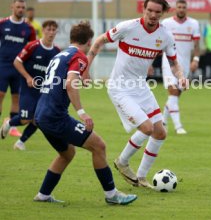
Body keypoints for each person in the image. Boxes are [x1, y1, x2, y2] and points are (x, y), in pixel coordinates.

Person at [1, 21, 137, 204]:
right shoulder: (79, 56)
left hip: (41, 114)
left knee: (67, 153)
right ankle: (112, 195)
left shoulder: (60, 54)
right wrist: (82, 112)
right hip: (55, 116)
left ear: (71, 38)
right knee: (99, 146)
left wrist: (82, 76)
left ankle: (43, 195)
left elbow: (66, 77)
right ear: (89, 41)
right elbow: (69, 83)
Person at [86, 0, 187, 188]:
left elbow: (174, 62)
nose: (153, 15)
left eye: (157, 12)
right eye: (150, 10)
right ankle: (122, 162)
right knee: (147, 128)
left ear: (162, 13)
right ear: (144, 9)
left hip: (140, 86)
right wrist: (86, 68)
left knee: (160, 133)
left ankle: (140, 177)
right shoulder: (128, 27)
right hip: (119, 87)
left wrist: (180, 76)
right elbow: (99, 41)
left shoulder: (165, 35)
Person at [0, 20, 60, 150]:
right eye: (48, 29)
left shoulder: (56, 51)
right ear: (43, 30)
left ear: (56, 32)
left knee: (39, 118)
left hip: (44, 90)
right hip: (28, 88)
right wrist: (28, 77)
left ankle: (20, 142)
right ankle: (9, 123)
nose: (51, 32)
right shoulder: (33, 46)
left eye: (53, 30)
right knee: (25, 118)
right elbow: (17, 62)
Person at [161, 0, 200, 134]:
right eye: (179, 7)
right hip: (168, 62)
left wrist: (196, 59)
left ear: (186, 9)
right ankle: (178, 127)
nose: (181, 9)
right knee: (172, 92)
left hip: (184, 64)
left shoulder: (194, 24)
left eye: (184, 7)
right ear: (175, 8)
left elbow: (196, 45)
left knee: (176, 95)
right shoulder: (166, 23)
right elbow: (159, 41)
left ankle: (163, 122)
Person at [0, 0, 36, 137]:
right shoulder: (3, 24)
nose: (21, 9)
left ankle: (11, 127)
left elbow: (33, 48)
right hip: (3, 65)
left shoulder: (29, 28)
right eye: (18, 7)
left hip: (19, 68)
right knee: (1, 94)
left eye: (23, 7)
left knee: (16, 97)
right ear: (12, 7)